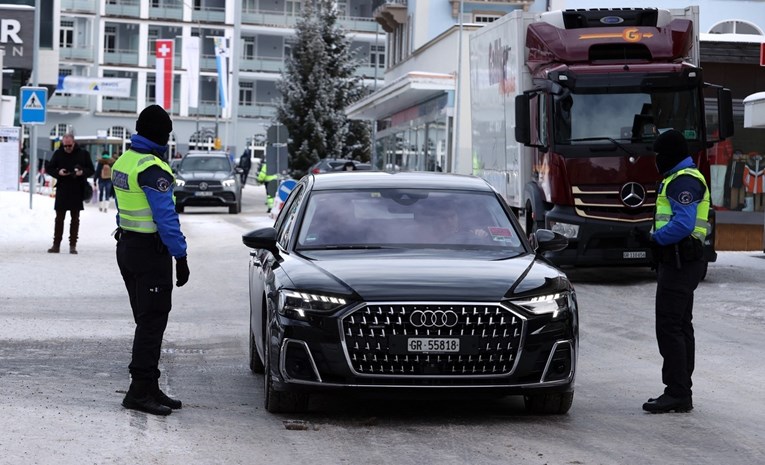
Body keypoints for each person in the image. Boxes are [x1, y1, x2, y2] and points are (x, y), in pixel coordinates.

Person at [112, 104, 190, 416]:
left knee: (146, 319)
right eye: (167, 134)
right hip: (149, 252)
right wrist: (180, 255)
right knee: (152, 321)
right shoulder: (153, 169)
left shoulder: (125, 161)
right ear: (161, 135)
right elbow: (166, 218)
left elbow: (124, 207)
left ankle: (150, 384)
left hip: (128, 245)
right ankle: (139, 390)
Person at [640, 129, 710, 414]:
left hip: (681, 263)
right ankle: (681, 390)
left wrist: (655, 239)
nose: (656, 159)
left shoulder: (683, 180)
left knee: (669, 327)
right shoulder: (679, 178)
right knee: (681, 326)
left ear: (670, 154)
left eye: (659, 154)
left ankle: (677, 392)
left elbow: (682, 224)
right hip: (682, 262)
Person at [45, 134, 95, 254]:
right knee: (59, 218)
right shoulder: (58, 153)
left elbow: (91, 170)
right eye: (65, 145)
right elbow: (49, 168)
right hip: (63, 188)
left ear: (74, 143)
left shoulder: (83, 154)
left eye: (69, 145)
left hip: (77, 189)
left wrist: (82, 172)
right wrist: (58, 172)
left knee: (75, 219)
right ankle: (56, 244)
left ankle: (73, 245)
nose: (67, 148)